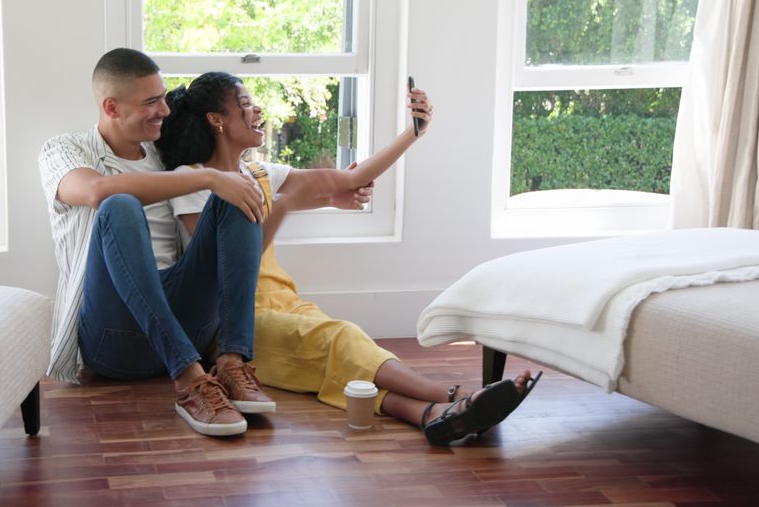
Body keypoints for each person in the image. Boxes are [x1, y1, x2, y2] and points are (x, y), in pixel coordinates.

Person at [154, 72, 540, 445]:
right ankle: (457, 395)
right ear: (216, 120)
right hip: (231, 320)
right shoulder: (192, 180)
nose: (256, 110)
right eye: (244, 104)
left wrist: (414, 133)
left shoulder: (259, 172)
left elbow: (351, 179)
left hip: (283, 299)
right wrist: (285, 206)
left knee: (337, 361)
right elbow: (225, 269)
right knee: (340, 339)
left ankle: (431, 414)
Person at [38, 50, 278, 437]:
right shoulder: (63, 150)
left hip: (186, 324)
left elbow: (256, 174)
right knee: (119, 205)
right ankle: (190, 381)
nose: (165, 111)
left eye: (164, 98)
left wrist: (323, 187)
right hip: (114, 338)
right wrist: (209, 178)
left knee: (235, 189)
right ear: (112, 107)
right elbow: (97, 191)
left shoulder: (165, 149)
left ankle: (233, 362)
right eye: (151, 102)